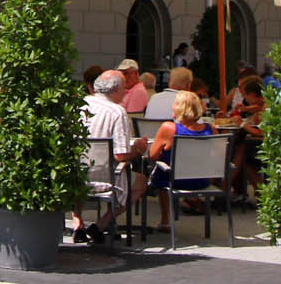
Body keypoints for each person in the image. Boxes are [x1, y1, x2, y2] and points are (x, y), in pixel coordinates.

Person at [139, 90, 215, 234]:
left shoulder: (169, 128)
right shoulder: (211, 129)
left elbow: (152, 155)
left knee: (162, 171)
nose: (172, 106)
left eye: (175, 104)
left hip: (175, 181)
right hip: (202, 180)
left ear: (180, 108)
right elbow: (216, 154)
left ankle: (165, 221)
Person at [75, 69, 137, 243]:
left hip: (76, 176)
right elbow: (121, 155)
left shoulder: (78, 104)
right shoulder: (117, 112)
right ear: (116, 90)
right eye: (125, 88)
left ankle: (78, 223)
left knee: (82, 164)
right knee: (139, 184)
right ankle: (101, 224)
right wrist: (138, 148)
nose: (126, 92)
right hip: (106, 178)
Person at [226, 73, 267, 205]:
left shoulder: (266, 108)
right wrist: (245, 109)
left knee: (243, 157)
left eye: (245, 95)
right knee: (240, 150)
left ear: (253, 95)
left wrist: (242, 125)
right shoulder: (264, 103)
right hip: (257, 142)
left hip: (265, 144)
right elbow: (258, 107)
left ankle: (261, 194)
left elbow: (261, 132)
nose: (244, 98)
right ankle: (239, 191)